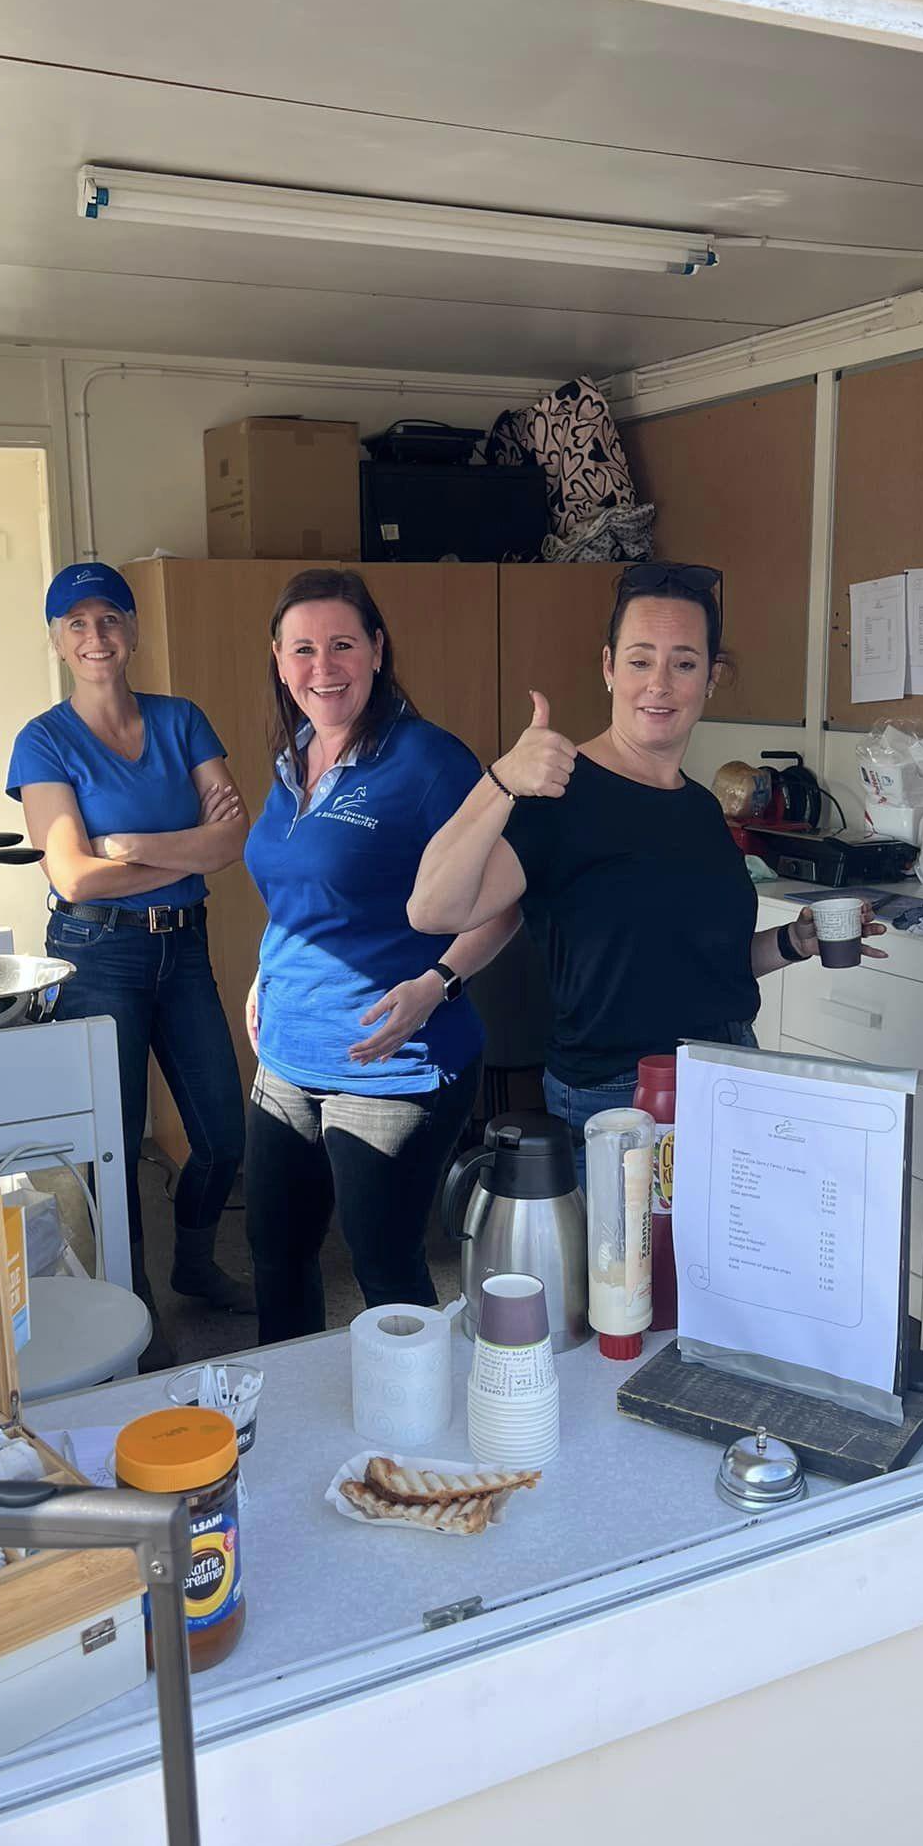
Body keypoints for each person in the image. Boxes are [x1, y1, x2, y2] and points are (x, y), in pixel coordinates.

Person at [408, 560, 886, 1165]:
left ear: (710, 678)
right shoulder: (559, 794)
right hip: (620, 1099)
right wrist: (500, 779)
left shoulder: (702, 808)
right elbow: (431, 910)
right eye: (640, 661)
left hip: (729, 1076)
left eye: (683, 664)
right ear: (609, 668)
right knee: (629, 1237)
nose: (659, 683)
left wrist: (794, 942)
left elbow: (705, 970)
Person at [242, 568, 520, 1344]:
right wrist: (265, 970)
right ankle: (293, 1409)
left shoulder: (429, 762)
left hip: (393, 1063)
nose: (322, 667)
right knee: (276, 1256)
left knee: (386, 1273)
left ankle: (417, 1419)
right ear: (279, 661)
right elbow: (298, 890)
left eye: (342, 645)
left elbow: (505, 901)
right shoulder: (293, 755)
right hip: (286, 1054)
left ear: (376, 649)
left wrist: (437, 984)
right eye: (303, 649)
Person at [7, 561, 251, 1365]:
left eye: (109, 618)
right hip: (95, 951)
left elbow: (233, 839)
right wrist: (186, 850)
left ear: (134, 630)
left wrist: (134, 846)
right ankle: (132, 1302)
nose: (96, 637)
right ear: (56, 642)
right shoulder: (43, 740)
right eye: (76, 624)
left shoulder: (182, 720)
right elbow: (73, 876)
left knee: (222, 1133)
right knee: (112, 1143)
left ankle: (194, 1265)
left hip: (182, 944)